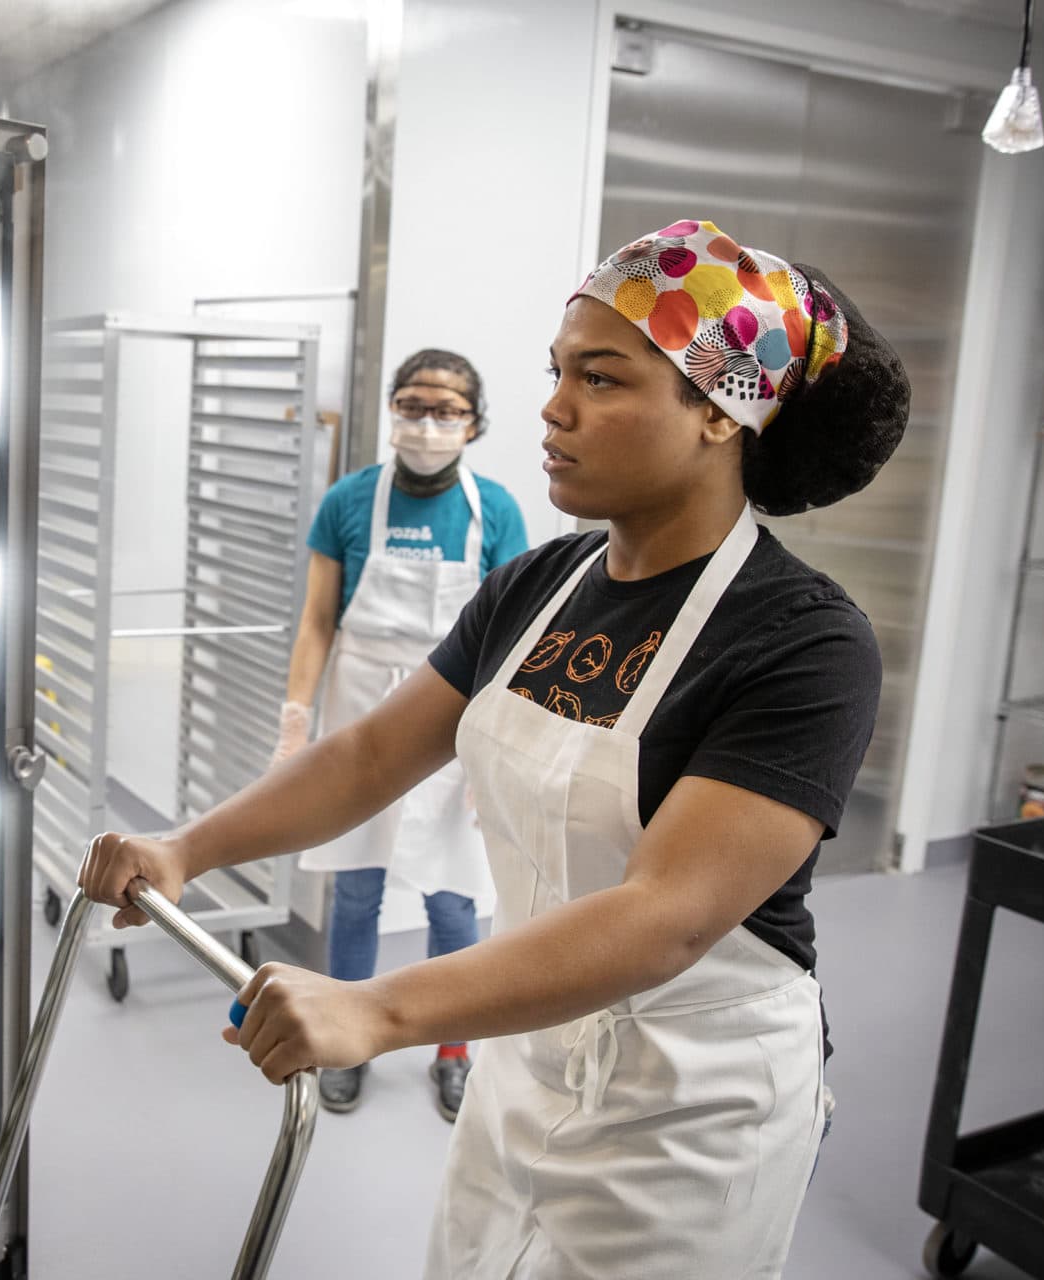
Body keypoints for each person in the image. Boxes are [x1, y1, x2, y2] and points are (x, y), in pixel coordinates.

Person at [82, 219, 908, 1277]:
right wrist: (185, 847)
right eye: (557, 372)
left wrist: (380, 1005)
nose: (554, 408)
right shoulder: (541, 585)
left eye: (601, 379)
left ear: (718, 407)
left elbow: (667, 915)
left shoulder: (803, 637)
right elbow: (371, 756)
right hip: (535, 1049)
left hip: (693, 1104)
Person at [274, 349, 528, 1120]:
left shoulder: (497, 511)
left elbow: (511, 641)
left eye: (446, 410)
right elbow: (319, 622)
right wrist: (295, 721)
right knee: (357, 885)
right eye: (413, 405)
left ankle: (454, 1049)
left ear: (474, 423)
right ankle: (344, 1037)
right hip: (360, 706)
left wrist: (498, 754)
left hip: (456, 718)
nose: (427, 422)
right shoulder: (349, 502)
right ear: (391, 410)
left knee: (454, 896)